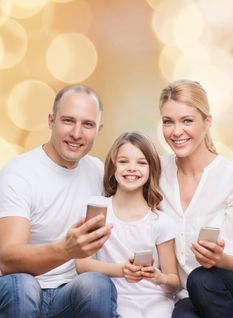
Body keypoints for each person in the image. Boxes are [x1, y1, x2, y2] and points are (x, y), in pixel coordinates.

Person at [0, 85, 117, 318]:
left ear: (99, 130)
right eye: (68, 121)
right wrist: (65, 249)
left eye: (87, 124)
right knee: (22, 286)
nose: (76, 133)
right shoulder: (18, 174)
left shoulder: (96, 170)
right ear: (51, 121)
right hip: (11, 292)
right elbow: (8, 260)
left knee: (97, 285)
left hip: (65, 295)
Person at [158, 80, 233, 318]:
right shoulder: (157, 172)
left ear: (207, 122)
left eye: (187, 120)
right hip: (192, 294)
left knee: (201, 278)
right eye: (168, 122)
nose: (176, 131)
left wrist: (218, 258)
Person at [76, 132, 180, 318]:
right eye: (124, 161)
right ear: (113, 167)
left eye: (141, 163)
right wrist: (122, 271)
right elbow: (82, 264)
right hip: (117, 299)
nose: (132, 168)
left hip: (156, 300)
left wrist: (159, 277)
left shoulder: (161, 222)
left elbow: (173, 280)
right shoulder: (98, 208)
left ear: (151, 170)